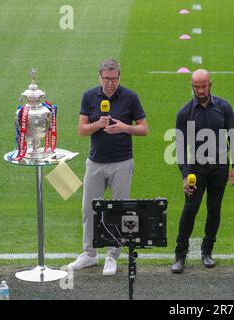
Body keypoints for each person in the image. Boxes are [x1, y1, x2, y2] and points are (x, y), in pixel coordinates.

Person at [69, 59, 148, 276]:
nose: (110, 83)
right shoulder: (89, 96)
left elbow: (144, 129)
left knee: (118, 210)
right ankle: (89, 254)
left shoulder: (130, 97)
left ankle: (113, 256)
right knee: (88, 209)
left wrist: (124, 127)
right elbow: (81, 130)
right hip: (95, 162)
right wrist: (98, 125)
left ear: (119, 76)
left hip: (121, 162)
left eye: (114, 79)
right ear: (100, 77)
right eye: (106, 79)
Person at [171, 69, 234, 274]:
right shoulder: (184, 112)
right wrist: (184, 175)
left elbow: (233, 137)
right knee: (190, 209)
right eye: (196, 86)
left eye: (203, 86)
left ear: (210, 84)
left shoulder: (224, 107)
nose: (200, 90)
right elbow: (181, 146)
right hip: (196, 169)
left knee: (214, 208)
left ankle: (207, 251)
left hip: (219, 167)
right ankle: (180, 255)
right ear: (191, 86)